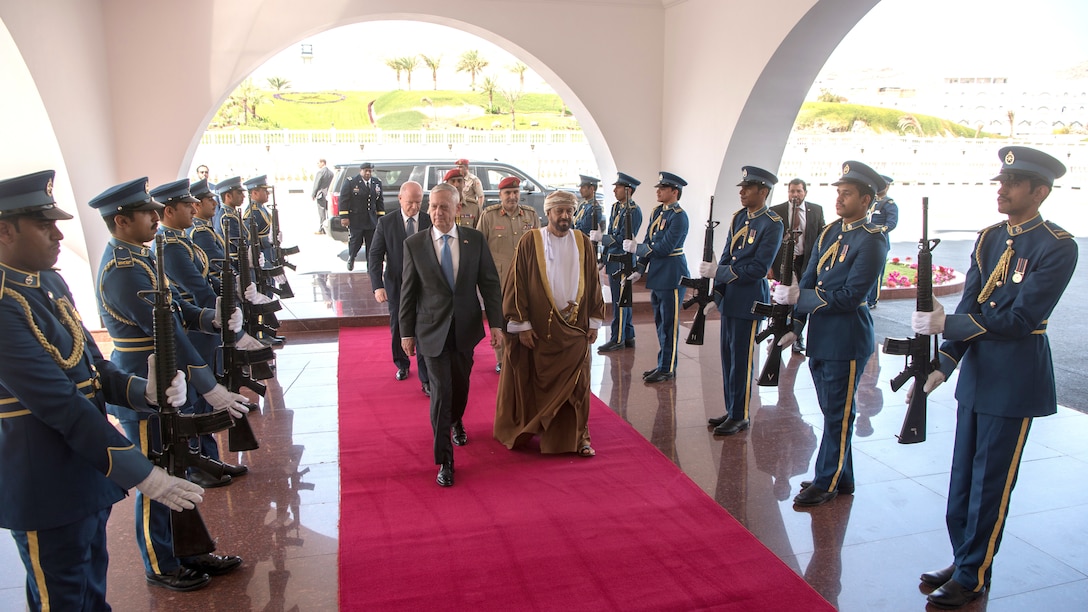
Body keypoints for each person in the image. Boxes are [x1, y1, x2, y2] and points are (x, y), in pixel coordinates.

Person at [0, 169, 202, 609]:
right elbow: (59, 402)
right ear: (4, 230)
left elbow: (92, 365)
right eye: (43, 224)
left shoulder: (47, 282)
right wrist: (144, 474)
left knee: (92, 591)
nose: (58, 235)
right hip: (45, 481)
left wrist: (142, 391)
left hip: (86, 469)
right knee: (64, 598)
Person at [911, 146, 1077, 609]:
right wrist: (945, 362)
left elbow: (1022, 318)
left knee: (992, 483)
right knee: (963, 475)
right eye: (999, 181)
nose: (1000, 189)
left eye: (1012, 183)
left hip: (1016, 377)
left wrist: (951, 326)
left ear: (1039, 191)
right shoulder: (989, 238)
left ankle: (974, 573)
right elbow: (970, 304)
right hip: (979, 373)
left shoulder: (1057, 245)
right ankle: (965, 556)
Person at [91, 177, 250, 590]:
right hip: (143, 383)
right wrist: (207, 382)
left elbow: (176, 308)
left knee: (175, 467)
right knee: (156, 476)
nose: (154, 216)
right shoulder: (123, 270)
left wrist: (209, 317)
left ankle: (189, 549)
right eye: (146, 213)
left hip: (164, 379)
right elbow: (167, 333)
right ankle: (161, 563)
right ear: (122, 221)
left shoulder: (141, 257)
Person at [771, 161, 888, 507]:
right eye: (838, 192)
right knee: (830, 409)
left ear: (866, 200)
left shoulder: (872, 241)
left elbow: (851, 296)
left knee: (839, 413)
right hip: (821, 333)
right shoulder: (830, 231)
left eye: (847, 194)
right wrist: (796, 324)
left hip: (846, 334)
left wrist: (802, 298)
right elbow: (808, 278)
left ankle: (828, 481)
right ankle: (841, 474)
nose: (839, 199)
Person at [399, 183, 504, 487]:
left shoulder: (475, 241)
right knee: (441, 393)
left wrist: (495, 324)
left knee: (460, 389)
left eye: (444, 207)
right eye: (432, 206)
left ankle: (457, 419)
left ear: (458, 209)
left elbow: (489, 285)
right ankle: (445, 459)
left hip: (465, 330)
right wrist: (406, 333)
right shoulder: (415, 244)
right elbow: (408, 293)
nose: (436, 212)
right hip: (430, 332)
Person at [151, 178, 252, 487]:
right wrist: (225, 323)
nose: (193, 207)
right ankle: (198, 464)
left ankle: (208, 459)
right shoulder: (170, 246)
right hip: (189, 333)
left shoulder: (182, 240)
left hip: (199, 325)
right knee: (194, 402)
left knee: (203, 403)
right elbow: (197, 288)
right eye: (187, 205)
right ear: (170, 211)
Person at [493, 190, 606, 456]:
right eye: (560, 211)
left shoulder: (583, 243)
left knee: (578, 386)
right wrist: (522, 325)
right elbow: (517, 285)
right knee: (536, 385)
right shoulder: (530, 242)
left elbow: (593, 284)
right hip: (540, 332)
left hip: (576, 330)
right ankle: (540, 428)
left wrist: (594, 321)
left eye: (569, 211)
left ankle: (580, 438)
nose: (565, 216)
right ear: (548, 213)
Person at [703, 166, 783, 436]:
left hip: (749, 300)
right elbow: (726, 256)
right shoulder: (739, 218)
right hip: (731, 299)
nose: (742, 191)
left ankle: (741, 415)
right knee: (728, 358)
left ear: (763, 192)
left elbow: (758, 269)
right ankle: (732, 408)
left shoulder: (772, 224)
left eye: (748, 188)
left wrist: (720, 273)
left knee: (742, 360)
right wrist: (718, 292)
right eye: (742, 187)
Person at [368, 181, 432, 395]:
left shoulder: (429, 220)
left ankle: (425, 378)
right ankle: (402, 364)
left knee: (423, 329)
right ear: (400, 199)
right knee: (398, 326)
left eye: (419, 202)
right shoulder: (386, 223)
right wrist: (377, 286)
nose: (414, 207)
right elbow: (375, 256)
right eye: (410, 202)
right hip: (397, 285)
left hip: (424, 287)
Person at [626, 171, 690, 383]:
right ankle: (663, 363)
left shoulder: (679, 216)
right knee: (661, 322)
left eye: (663, 188)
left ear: (674, 192)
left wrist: (639, 249)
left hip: (672, 274)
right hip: (658, 274)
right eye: (658, 188)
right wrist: (640, 268)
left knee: (670, 324)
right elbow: (648, 239)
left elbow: (664, 247)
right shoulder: (657, 212)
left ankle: (668, 367)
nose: (658, 191)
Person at [476, 176, 540, 371]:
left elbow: (539, 246)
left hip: (526, 278)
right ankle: (502, 360)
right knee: (502, 319)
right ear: (500, 195)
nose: (512, 196)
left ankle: (527, 355)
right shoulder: (489, 216)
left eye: (515, 193)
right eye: (508, 193)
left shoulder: (530, 215)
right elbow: (480, 248)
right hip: (500, 279)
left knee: (527, 316)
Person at [769, 178, 826, 353]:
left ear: (805, 192)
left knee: (799, 298)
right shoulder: (777, 211)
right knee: (782, 297)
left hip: (805, 262)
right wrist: (769, 265)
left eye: (798, 191)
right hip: (783, 262)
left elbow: (821, 237)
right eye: (791, 191)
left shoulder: (815, 210)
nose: (795, 195)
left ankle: (797, 335)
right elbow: (771, 241)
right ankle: (777, 329)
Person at [597, 172, 644, 353]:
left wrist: (604, 239)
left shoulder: (633, 210)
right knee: (620, 299)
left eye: (618, 187)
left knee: (621, 301)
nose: (614, 190)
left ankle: (617, 338)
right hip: (613, 259)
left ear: (628, 190)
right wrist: (604, 257)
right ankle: (628, 334)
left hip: (624, 261)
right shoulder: (617, 207)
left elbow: (622, 239)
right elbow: (611, 231)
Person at [339, 162, 383, 271]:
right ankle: (352, 257)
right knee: (356, 242)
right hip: (356, 219)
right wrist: (344, 216)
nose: (368, 173)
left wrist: (380, 218)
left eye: (370, 171)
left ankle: (370, 265)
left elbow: (379, 202)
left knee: (372, 244)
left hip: (371, 220)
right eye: (365, 171)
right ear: (361, 171)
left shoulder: (376, 183)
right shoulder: (351, 182)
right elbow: (343, 200)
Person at [865, 174, 898, 309]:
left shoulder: (888, 204)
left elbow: (891, 223)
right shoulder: (872, 201)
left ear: (887, 187)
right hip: (866, 240)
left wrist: (878, 231)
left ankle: (873, 299)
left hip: (880, 241)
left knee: (877, 272)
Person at [242, 174, 275, 265]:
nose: (268, 193)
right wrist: (267, 240)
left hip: (269, 254)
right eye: (264, 190)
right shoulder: (254, 212)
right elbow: (250, 238)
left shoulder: (261, 208)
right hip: (262, 257)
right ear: (255, 193)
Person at [572, 174, 604, 240]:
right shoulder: (583, 204)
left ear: (592, 189)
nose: (580, 190)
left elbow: (584, 229)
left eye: (583, 188)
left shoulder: (594, 208)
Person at [312, 158, 334, 234]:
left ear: (322, 163)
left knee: (322, 212)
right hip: (328, 194)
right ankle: (329, 228)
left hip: (321, 194)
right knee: (328, 212)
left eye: (318, 163)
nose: (318, 164)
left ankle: (322, 229)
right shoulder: (331, 173)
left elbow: (316, 184)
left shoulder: (320, 172)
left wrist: (313, 194)